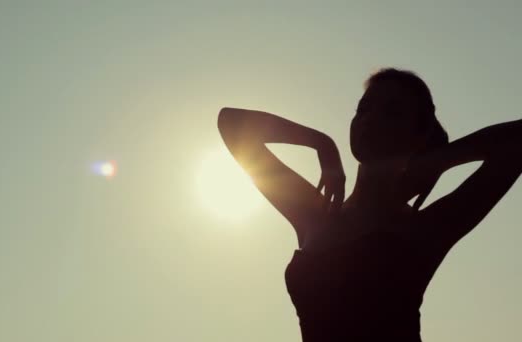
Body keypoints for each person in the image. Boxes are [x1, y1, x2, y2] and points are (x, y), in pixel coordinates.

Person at [217, 68, 521, 341]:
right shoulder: (315, 214)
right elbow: (231, 122)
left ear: (419, 134)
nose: (369, 119)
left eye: (391, 112)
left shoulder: (427, 227)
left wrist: (439, 160)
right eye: (363, 109)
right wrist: (322, 142)